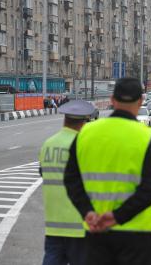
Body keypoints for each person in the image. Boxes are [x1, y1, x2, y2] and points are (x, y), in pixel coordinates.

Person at [64, 78, 151, 265]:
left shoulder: (86, 133)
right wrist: (117, 217)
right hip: (137, 235)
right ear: (141, 101)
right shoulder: (146, 137)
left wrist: (87, 212)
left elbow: (71, 180)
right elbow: (150, 188)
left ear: (112, 99)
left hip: (96, 232)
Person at [39, 100, 95, 265]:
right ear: (84, 122)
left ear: (65, 119)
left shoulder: (47, 144)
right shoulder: (84, 145)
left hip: (53, 224)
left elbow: (43, 174)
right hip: (80, 225)